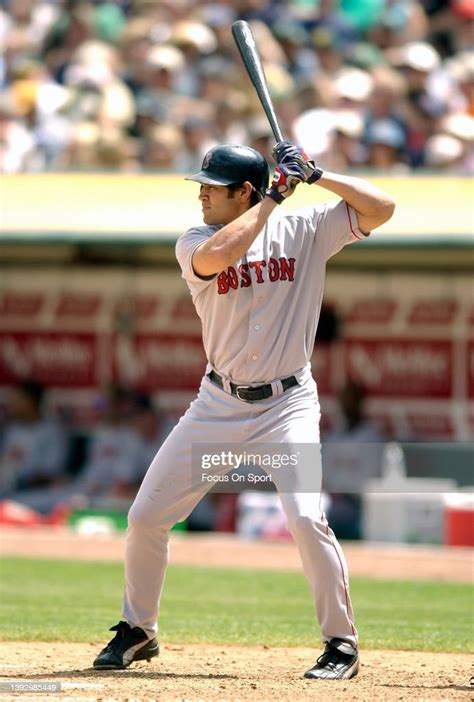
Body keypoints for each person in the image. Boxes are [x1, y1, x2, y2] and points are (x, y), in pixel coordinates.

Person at [93, 141, 395, 680]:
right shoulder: (196, 240)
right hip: (218, 407)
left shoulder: (305, 231)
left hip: (287, 405)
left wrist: (318, 174)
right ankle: (139, 630)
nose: (203, 195)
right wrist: (275, 198)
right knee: (145, 517)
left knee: (305, 517)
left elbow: (382, 207)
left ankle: (341, 643)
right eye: (203, 185)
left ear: (244, 191)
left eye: (213, 187)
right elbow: (217, 259)